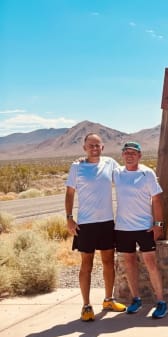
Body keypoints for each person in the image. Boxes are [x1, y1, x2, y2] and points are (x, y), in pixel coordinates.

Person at [65, 133, 126, 322]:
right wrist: (69, 218)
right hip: (86, 223)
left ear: (103, 147)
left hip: (107, 222)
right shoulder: (77, 167)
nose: (94, 148)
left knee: (108, 262)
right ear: (84, 148)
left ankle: (108, 299)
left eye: (97, 145)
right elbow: (69, 193)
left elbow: (126, 175)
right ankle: (86, 306)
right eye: (90, 145)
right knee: (87, 265)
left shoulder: (110, 163)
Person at [113, 141, 168, 319]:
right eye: (126, 152)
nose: (129, 155)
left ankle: (161, 302)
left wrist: (158, 224)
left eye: (133, 153)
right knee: (129, 263)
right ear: (122, 155)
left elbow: (157, 199)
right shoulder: (117, 173)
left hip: (144, 227)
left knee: (150, 263)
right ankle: (136, 299)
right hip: (123, 228)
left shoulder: (146, 173)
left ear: (139, 156)